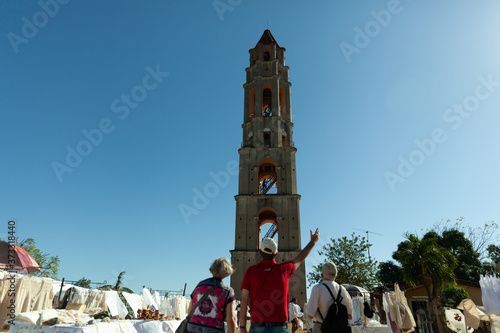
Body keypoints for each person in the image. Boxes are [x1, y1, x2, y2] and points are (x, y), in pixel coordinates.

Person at [239, 228, 320, 333]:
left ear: (260, 252)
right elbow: (300, 258)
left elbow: (244, 300)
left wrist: (242, 327)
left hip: (257, 326)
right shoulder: (284, 269)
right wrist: (313, 241)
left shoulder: (251, 271)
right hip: (280, 326)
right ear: (276, 254)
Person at [187, 257, 237, 333]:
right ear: (227, 270)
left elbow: (189, 310)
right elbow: (231, 319)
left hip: (192, 329)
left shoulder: (199, 286)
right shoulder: (228, 291)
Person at [305, 262, 353, 333]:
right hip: (339, 328)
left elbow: (310, 314)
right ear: (336, 276)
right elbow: (350, 316)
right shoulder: (342, 289)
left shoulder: (317, 288)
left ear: (322, 275)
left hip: (321, 327)